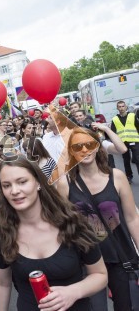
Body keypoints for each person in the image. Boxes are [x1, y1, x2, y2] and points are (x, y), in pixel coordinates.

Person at [0, 156, 108, 311]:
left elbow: (100, 275)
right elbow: (2, 283)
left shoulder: (72, 222)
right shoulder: (0, 233)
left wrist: (73, 292)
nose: (14, 191)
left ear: (38, 182)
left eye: (22, 182)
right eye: (6, 185)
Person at [57, 127, 139, 310]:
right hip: (86, 262)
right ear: (71, 151)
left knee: (127, 306)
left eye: (89, 144)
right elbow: (61, 224)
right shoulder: (65, 183)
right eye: (78, 146)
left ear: (97, 146)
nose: (85, 150)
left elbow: (132, 219)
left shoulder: (116, 177)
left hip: (120, 258)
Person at [111, 100, 139, 183]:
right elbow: (113, 132)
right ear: (117, 108)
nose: (121, 108)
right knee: (126, 160)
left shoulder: (132, 115)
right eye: (119, 106)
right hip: (123, 142)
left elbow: (138, 126)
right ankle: (129, 176)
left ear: (126, 107)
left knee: (138, 159)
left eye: (123, 106)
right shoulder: (115, 119)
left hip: (134, 140)